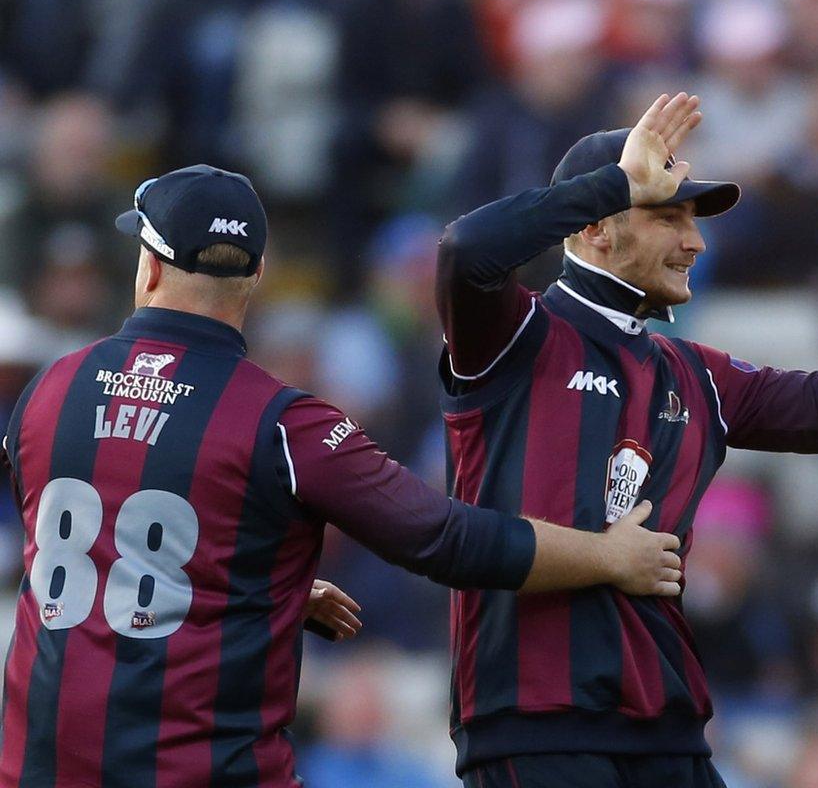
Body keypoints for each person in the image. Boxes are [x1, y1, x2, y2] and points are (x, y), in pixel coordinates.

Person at [0, 165, 683, 787]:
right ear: (258, 273)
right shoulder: (279, 423)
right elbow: (442, 537)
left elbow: (68, 533)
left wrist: (256, 582)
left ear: (148, 266)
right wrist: (606, 555)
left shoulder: (49, 390)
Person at [435, 91, 818, 788]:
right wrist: (614, 183)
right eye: (668, 215)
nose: (695, 240)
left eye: (692, 217)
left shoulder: (694, 373)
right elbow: (466, 252)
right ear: (596, 227)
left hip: (670, 731)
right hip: (537, 724)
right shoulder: (516, 336)